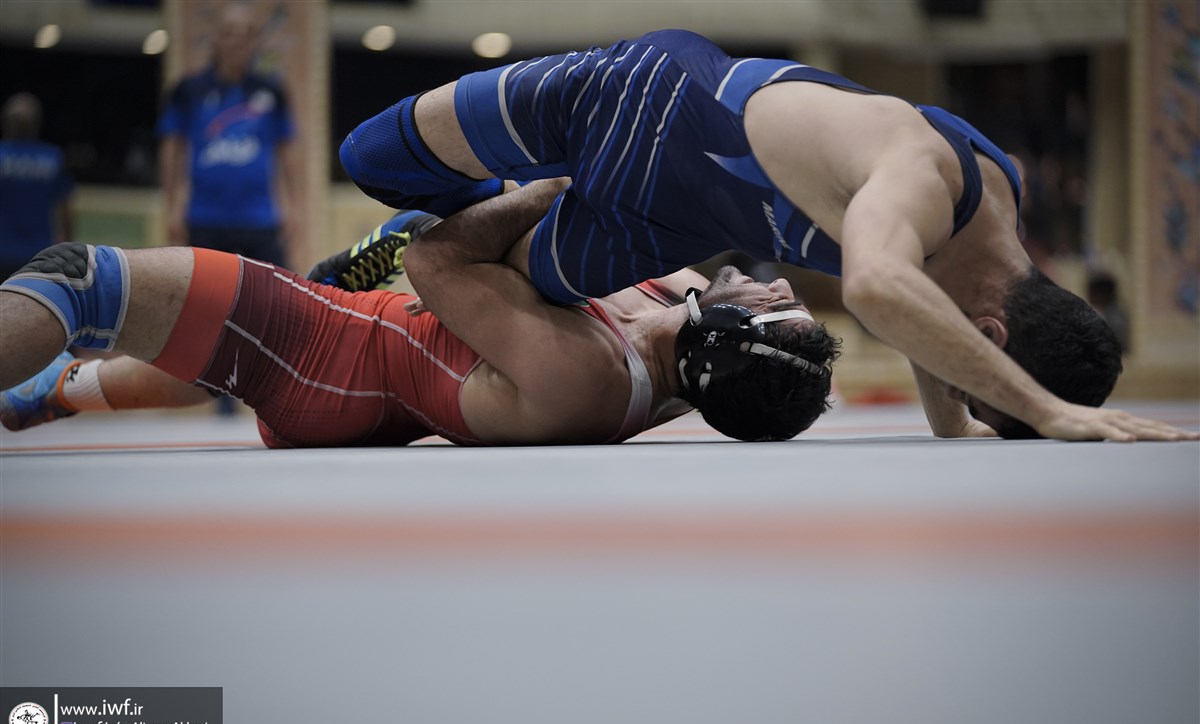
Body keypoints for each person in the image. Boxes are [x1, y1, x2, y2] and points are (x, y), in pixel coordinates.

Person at [338, 29, 1174, 442]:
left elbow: (923, 310)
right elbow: (878, 287)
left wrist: (959, 429)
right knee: (370, 159)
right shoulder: (930, 178)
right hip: (641, 102)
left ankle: (425, 235)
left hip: (667, 221)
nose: (965, 385)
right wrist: (1042, 410)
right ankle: (453, 206)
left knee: (499, 280)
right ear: (992, 334)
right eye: (978, 378)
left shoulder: (976, 254)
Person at [0, 181, 839, 446]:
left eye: (776, 307)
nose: (775, 287)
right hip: (358, 366)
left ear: (726, 342)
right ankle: (48, 394)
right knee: (207, 356)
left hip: (328, 351)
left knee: (80, 281)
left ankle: (49, 380)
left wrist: (563, 184)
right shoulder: (672, 311)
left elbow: (433, 262)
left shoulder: (590, 376)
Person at [158, 2, 300, 270]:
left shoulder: (271, 90)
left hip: (260, 218)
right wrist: (173, 205)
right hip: (204, 218)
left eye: (246, 33)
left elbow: (286, 151)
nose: (237, 41)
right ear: (216, 36)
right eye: (230, 32)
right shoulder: (189, 90)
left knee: (275, 290)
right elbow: (171, 148)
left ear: (255, 40)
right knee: (205, 291)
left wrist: (292, 206)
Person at [0, 93, 73, 282]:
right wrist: (68, 248)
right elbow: (66, 210)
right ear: (37, 124)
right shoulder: (52, 158)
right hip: (39, 256)